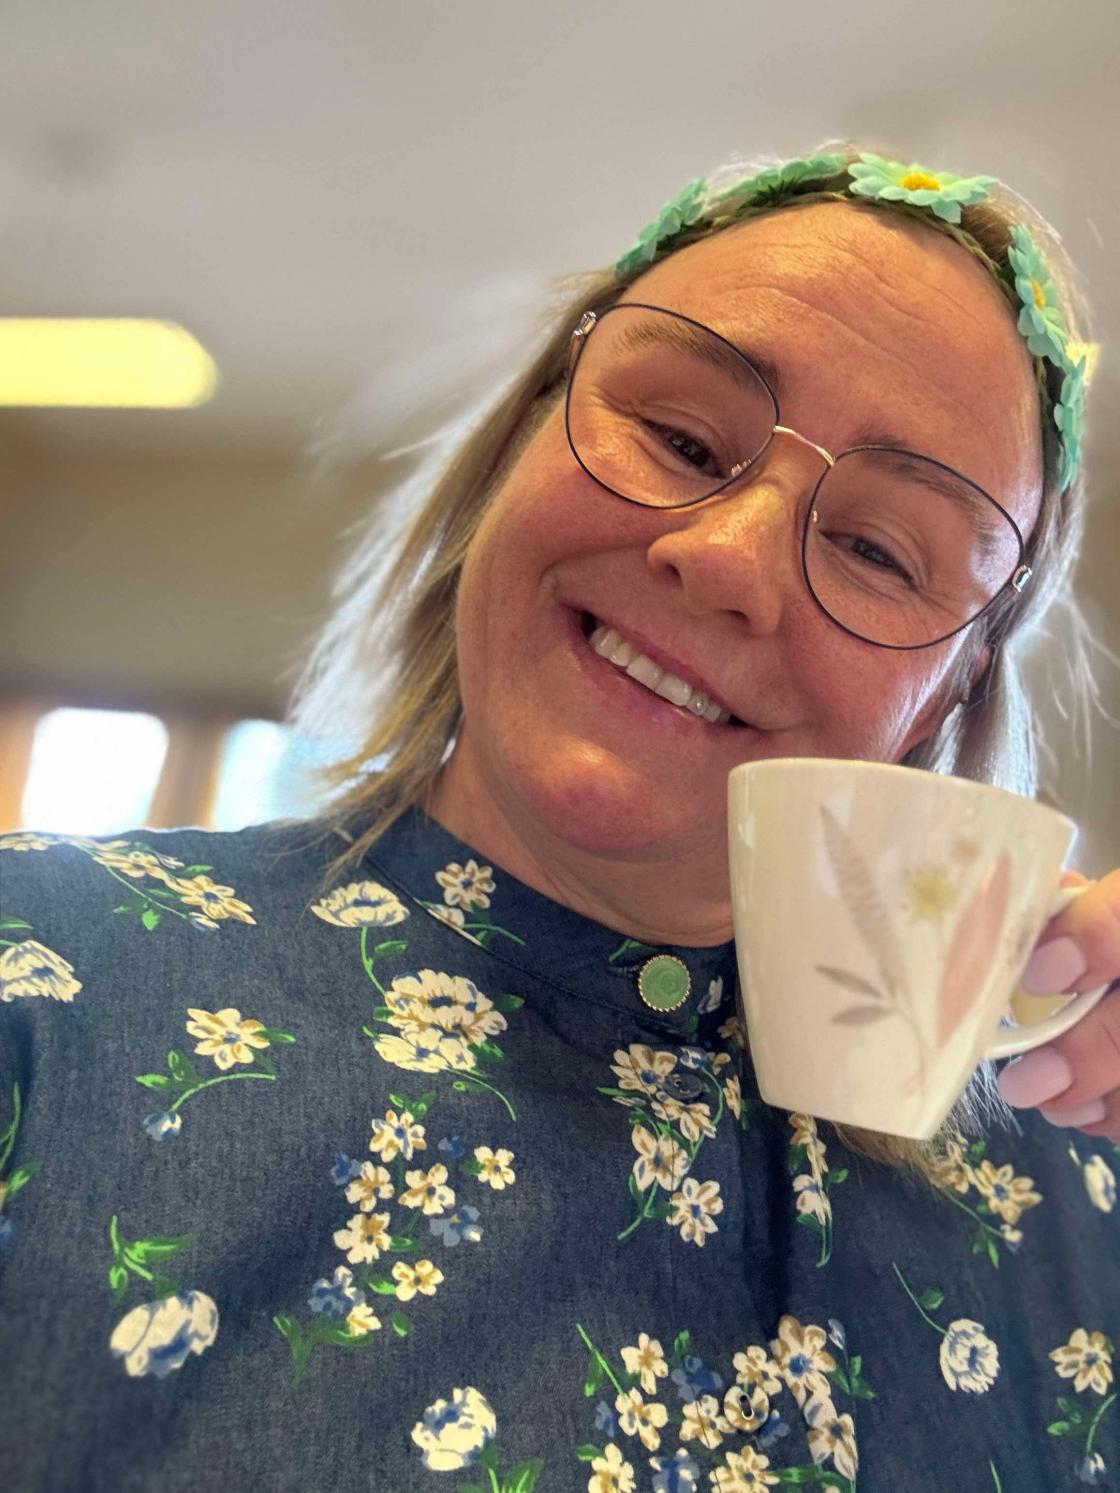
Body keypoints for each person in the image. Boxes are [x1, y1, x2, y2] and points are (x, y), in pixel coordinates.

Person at [1, 142, 1118, 1492]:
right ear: (519, 446)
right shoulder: (36, 987)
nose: (726, 560)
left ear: (953, 687)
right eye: (683, 438)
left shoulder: (1078, 1193)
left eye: (879, 549)